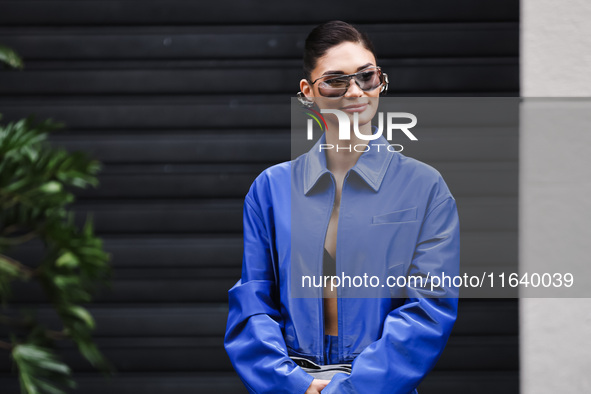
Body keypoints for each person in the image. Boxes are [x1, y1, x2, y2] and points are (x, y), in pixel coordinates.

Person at [224, 20, 460, 394]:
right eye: (335, 80)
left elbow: (428, 310)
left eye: (367, 77)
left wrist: (352, 389)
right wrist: (291, 384)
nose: (355, 92)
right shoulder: (270, 188)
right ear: (308, 92)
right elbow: (253, 300)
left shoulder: (425, 188)